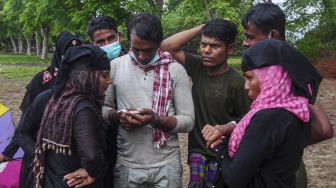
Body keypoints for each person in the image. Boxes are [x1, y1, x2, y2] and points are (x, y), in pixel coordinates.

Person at [209, 39, 321, 188]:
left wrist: (222, 146)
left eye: (249, 78)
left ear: (272, 77)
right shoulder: (296, 109)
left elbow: (234, 178)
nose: (246, 87)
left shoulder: (268, 118)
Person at [102, 13, 195, 188]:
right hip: (127, 165)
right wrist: (118, 117)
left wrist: (156, 120)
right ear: (129, 40)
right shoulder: (115, 66)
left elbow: (188, 121)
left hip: (167, 166)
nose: (142, 56)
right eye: (136, 49)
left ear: (159, 44)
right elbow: (102, 108)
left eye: (148, 50)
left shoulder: (175, 70)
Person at [161, 19, 251, 187]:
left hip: (222, 154)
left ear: (229, 49)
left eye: (215, 46)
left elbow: (247, 121)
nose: (206, 51)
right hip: (197, 151)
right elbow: (166, 47)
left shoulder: (237, 83)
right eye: (203, 44)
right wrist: (204, 27)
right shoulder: (198, 68)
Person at [18, 45, 111, 188]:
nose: (110, 81)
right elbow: (92, 157)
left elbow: (21, 132)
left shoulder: (49, 98)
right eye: (104, 75)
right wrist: (94, 172)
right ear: (87, 76)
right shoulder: (82, 107)